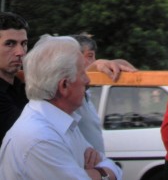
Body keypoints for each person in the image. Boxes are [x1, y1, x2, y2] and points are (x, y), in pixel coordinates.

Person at [0, 35, 122, 180]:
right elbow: (111, 168)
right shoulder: (40, 138)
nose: (87, 80)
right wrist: (103, 173)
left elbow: (109, 164)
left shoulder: (60, 122)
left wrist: (99, 172)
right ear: (64, 85)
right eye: (82, 73)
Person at [71, 33, 137, 153]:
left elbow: (123, 64)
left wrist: (119, 63)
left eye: (94, 57)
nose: (93, 61)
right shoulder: (66, 92)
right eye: (89, 56)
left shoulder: (85, 94)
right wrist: (95, 66)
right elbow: (77, 80)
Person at [0, 11, 29, 146]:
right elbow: (32, 133)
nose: (20, 52)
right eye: (10, 44)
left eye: (23, 43)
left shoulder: (23, 86)